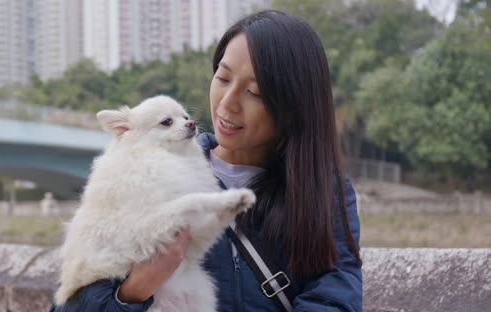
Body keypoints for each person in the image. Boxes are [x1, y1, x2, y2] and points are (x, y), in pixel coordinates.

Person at [51, 9, 362, 312]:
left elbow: (334, 296)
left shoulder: (325, 192)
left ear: (292, 105)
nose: (227, 103)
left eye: (253, 92)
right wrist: (136, 289)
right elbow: (70, 298)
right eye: (223, 78)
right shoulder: (139, 177)